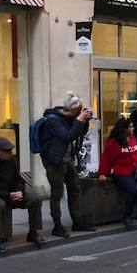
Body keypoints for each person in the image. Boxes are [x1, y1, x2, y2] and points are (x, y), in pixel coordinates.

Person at [0, 137, 44, 255]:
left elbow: (19, 179)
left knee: (34, 198)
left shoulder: (11, 161)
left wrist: (19, 192)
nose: (10, 153)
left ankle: (33, 232)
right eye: (8, 151)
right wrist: (8, 195)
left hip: (10, 194)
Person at [39, 93, 94, 237]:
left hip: (67, 158)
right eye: (79, 110)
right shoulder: (52, 120)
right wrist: (80, 120)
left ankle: (77, 221)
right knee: (57, 193)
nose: (80, 112)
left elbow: (78, 133)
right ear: (71, 110)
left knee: (75, 188)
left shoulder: (69, 118)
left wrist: (84, 121)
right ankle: (57, 225)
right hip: (54, 160)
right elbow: (67, 136)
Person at [97, 118, 137, 232]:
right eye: (131, 127)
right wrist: (103, 173)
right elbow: (106, 158)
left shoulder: (132, 139)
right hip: (121, 172)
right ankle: (127, 215)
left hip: (136, 172)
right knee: (135, 191)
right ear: (124, 129)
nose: (133, 128)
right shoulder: (113, 142)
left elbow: (136, 156)